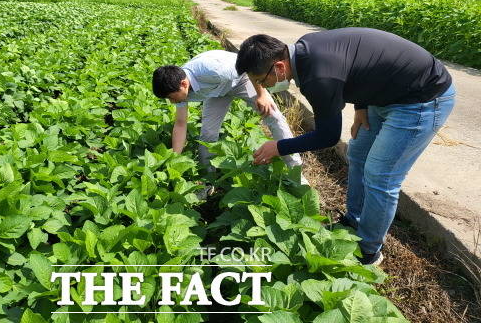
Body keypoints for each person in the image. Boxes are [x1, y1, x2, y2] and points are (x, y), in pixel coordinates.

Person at [235, 28, 455, 265]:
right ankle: (354, 220)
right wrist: (361, 106)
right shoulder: (304, 49)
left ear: (279, 67)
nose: (264, 87)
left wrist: (279, 147)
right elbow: (362, 63)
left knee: (380, 175)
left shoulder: (317, 78)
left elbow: (328, 136)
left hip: (421, 99)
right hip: (387, 93)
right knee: (358, 154)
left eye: (261, 81)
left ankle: (369, 251)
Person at [152, 49, 303, 198]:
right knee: (207, 135)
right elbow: (180, 123)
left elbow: (250, 67)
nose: (172, 101)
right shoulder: (177, 89)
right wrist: (174, 159)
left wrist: (261, 94)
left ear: (184, 84)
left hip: (243, 78)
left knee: (272, 115)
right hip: (217, 91)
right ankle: (208, 181)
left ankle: (296, 172)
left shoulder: (212, 70)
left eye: (172, 97)